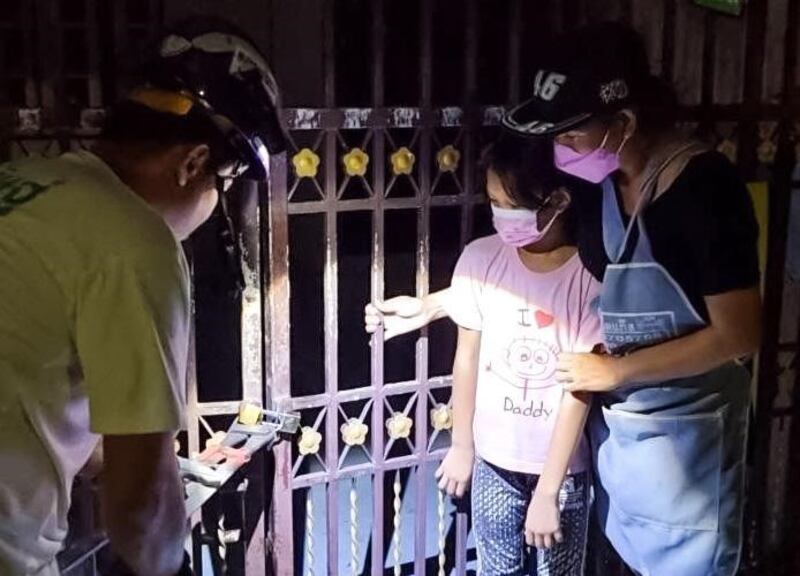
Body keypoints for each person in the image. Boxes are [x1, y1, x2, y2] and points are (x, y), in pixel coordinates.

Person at [368, 22, 761, 576]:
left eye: (570, 135)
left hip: (689, 441)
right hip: (620, 439)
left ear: (623, 123)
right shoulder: (600, 181)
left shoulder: (705, 189)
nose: (560, 149)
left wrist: (615, 374)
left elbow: (738, 333)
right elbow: (535, 276)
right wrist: (433, 305)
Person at [0, 19, 284, 576]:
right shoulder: (132, 240)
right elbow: (141, 514)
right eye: (219, 190)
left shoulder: (22, 185)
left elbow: (32, 383)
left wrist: (144, 463)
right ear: (194, 164)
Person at [431, 136, 602, 575]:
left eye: (511, 205)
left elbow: (578, 386)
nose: (500, 217)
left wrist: (548, 492)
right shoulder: (480, 258)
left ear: (558, 201)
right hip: (493, 462)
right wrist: (462, 445)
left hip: (562, 473)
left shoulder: (588, 276)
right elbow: (466, 358)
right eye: (493, 203)